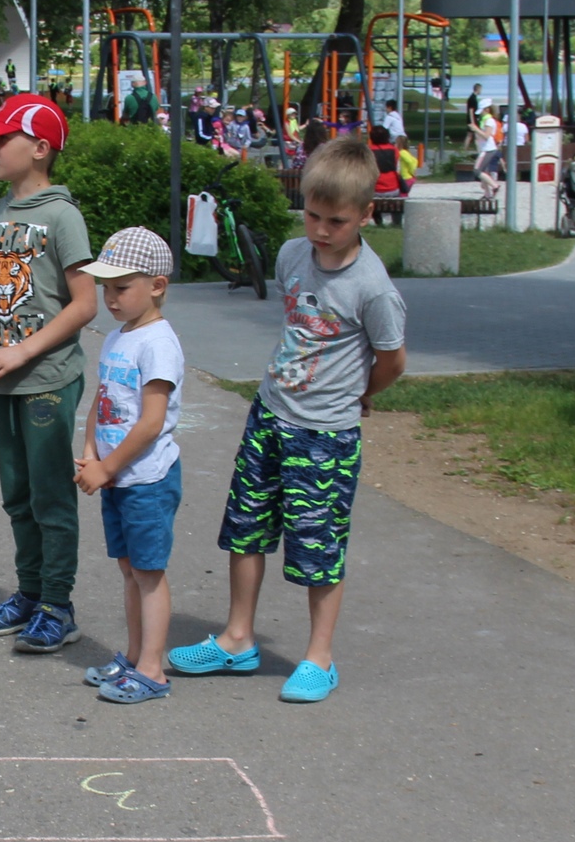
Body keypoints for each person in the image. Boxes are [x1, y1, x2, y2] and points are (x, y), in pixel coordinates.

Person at [167, 135, 404, 704]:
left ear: (367, 214)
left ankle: (319, 657)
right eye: (313, 216)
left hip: (325, 435)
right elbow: (297, 329)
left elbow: (392, 360)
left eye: (337, 222)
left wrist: (359, 395)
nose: (321, 230)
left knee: (317, 548)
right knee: (245, 530)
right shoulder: (292, 255)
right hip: (270, 417)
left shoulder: (373, 287)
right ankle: (237, 638)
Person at [0, 93, 99, 654]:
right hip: (2, 380)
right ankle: (29, 593)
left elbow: (85, 303)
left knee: (50, 497)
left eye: (1, 139)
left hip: (46, 379)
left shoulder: (63, 216)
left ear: (40, 149)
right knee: (17, 493)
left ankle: (57, 606)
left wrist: (21, 353)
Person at [73, 228, 184, 706]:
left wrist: (108, 466)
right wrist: (92, 452)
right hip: (118, 475)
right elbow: (103, 399)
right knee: (128, 569)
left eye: (122, 288)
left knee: (148, 572)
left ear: (156, 286)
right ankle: (136, 656)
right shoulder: (118, 337)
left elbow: (150, 423)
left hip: (147, 480)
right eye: (106, 288)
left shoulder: (158, 343)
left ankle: (153, 670)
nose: (111, 298)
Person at [368, 125, 404, 224]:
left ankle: (379, 222)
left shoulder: (368, 151)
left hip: (376, 190)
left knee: (370, 199)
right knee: (397, 201)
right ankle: (397, 223)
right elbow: (398, 169)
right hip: (393, 188)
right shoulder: (394, 150)